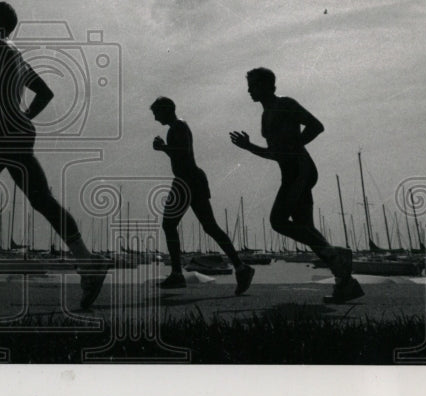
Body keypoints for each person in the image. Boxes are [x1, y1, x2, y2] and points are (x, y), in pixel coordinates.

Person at [0, 1, 108, 309]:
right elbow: (45, 92)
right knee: (42, 200)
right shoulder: (16, 54)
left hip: (6, 135)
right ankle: (87, 263)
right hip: (17, 132)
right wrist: (25, 117)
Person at [229, 68, 363, 303]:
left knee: (277, 221)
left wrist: (295, 145)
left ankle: (337, 256)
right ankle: (345, 282)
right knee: (306, 229)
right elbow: (274, 153)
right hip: (290, 172)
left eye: (254, 85)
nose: (249, 90)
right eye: (249, 85)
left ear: (269, 85)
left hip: (301, 170)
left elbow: (316, 126)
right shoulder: (265, 115)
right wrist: (249, 147)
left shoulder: (285, 104)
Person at [151, 97, 254, 293]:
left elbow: (182, 152)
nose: (155, 118)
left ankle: (177, 274)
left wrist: (163, 147)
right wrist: (164, 148)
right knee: (208, 227)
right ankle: (240, 267)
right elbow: (181, 154)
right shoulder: (177, 127)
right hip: (189, 181)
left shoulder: (178, 127)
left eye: (156, 113)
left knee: (173, 224)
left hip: (187, 181)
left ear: (165, 110)